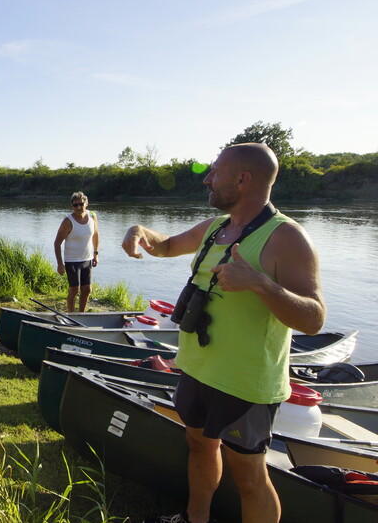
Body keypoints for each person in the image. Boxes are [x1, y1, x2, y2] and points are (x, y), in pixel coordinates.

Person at [121, 143, 325, 523]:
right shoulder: (215, 227)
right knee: (199, 445)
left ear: (243, 179)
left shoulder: (287, 238)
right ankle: (195, 518)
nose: (207, 179)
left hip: (245, 383)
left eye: (215, 172)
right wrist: (138, 230)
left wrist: (262, 285)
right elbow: (165, 246)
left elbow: (314, 319)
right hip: (198, 367)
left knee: (250, 477)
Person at [53, 191, 99, 312]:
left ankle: (81, 314)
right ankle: (71, 315)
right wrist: (60, 264)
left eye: (81, 204)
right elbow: (57, 243)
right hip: (72, 260)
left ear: (86, 203)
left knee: (87, 289)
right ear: (72, 206)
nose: (78, 207)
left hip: (87, 259)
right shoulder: (68, 221)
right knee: (74, 290)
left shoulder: (92, 216)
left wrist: (96, 253)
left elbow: (96, 235)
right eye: (75, 205)